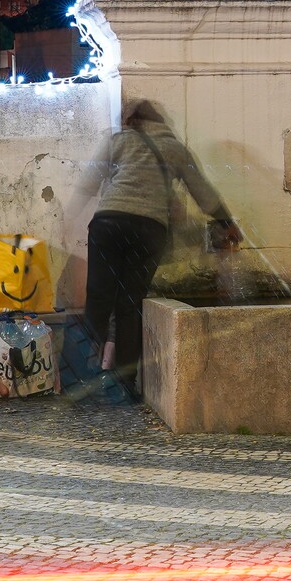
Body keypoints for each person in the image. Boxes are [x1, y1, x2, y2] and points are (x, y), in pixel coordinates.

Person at [85, 101, 240, 403]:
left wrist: (74, 212)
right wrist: (226, 222)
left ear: (131, 120)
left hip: (108, 224)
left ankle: (82, 377)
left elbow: (89, 182)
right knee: (129, 306)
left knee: (98, 302)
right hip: (148, 230)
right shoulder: (175, 148)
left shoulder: (119, 140)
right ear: (159, 121)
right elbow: (202, 191)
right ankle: (126, 384)